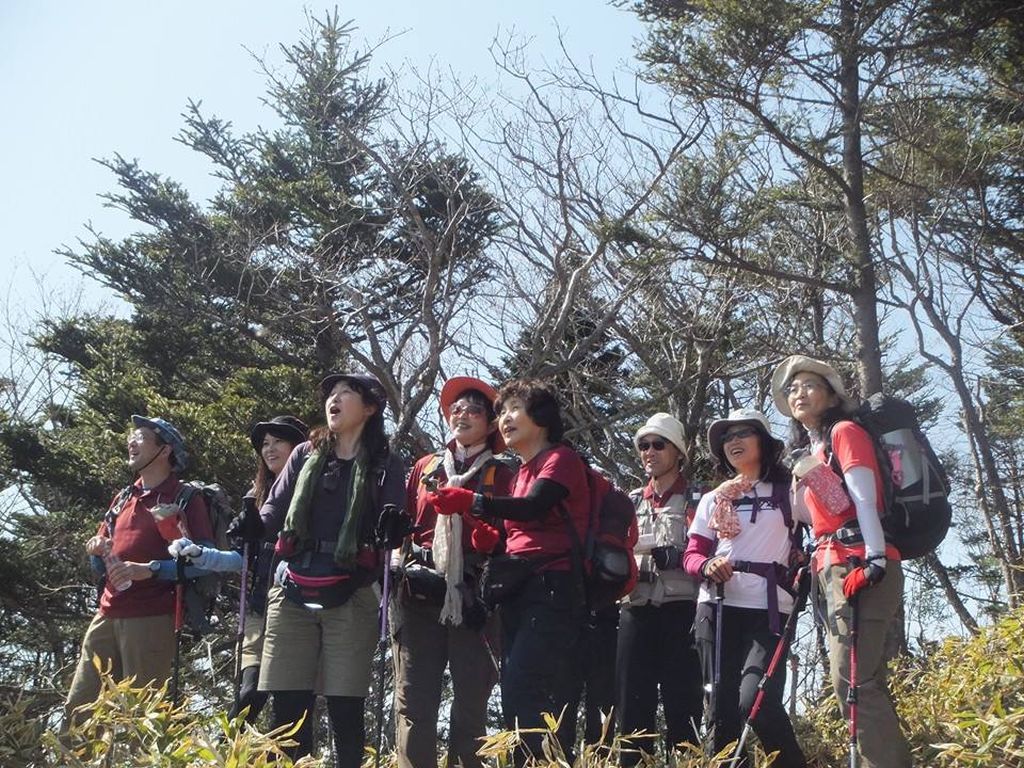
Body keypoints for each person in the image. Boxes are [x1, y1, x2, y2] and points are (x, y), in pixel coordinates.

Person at [428, 379, 589, 766]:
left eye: (514, 408)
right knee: (519, 689)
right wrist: (487, 537)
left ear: (542, 417)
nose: (504, 419)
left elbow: (535, 506)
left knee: (524, 685)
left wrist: (473, 500)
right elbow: (510, 532)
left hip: (553, 586)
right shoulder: (519, 473)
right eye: (501, 412)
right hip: (520, 589)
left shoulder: (560, 459)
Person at [255, 373, 405, 767]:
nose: (333, 400)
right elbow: (274, 509)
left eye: (345, 394)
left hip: (352, 591)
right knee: (286, 707)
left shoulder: (387, 465)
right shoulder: (305, 453)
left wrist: (394, 524)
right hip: (290, 587)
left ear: (370, 408)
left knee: (345, 708)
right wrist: (254, 525)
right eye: (331, 394)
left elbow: (395, 521)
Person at [772, 355, 912, 768]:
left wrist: (873, 559)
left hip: (859, 563)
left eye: (810, 385)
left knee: (854, 680)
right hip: (833, 566)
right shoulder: (812, 449)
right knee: (855, 679)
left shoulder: (845, 432)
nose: (799, 393)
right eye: (792, 388)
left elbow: (863, 499)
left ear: (832, 394)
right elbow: (810, 515)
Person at [393, 376, 515, 768]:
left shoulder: (502, 474)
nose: (461, 415)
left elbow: (508, 539)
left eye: (474, 409)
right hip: (418, 593)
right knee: (413, 701)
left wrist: (473, 519)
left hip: (475, 598)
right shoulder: (426, 467)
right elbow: (406, 525)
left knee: (471, 704)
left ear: (491, 422)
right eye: (455, 409)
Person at [64, 415, 213, 728]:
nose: (131, 441)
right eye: (132, 435)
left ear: (166, 449)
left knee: (140, 718)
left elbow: (203, 564)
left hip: (153, 618)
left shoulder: (185, 498)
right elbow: (101, 563)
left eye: (141, 436)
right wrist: (98, 551)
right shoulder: (122, 499)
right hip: (106, 615)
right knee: (80, 711)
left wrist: (151, 570)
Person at [683, 409, 806, 768]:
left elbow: (832, 516)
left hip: (771, 609)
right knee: (720, 711)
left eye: (743, 433)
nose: (733, 442)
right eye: (726, 437)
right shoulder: (713, 499)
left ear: (763, 442)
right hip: (716, 606)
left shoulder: (792, 492)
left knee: (757, 700)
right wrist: (707, 566)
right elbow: (693, 555)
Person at [169, 415, 310, 725]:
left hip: (298, 608)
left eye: (278, 442)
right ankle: (224, 754)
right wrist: (201, 556)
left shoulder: (315, 495)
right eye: (265, 444)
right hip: (260, 609)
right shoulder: (256, 499)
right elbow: (241, 558)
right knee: (250, 692)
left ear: (299, 448)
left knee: (290, 706)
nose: (269, 449)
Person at [616, 413, 702, 765]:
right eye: (643, 445)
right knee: (631, 707)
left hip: (683, 613)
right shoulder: (629, 502)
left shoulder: (699, 499)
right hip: (635, 610)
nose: (649, 451)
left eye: (658, 444)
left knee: (684, 706)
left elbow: (711, 553)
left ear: (678, 451)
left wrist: (675, 556)